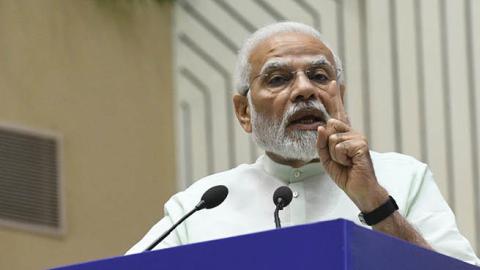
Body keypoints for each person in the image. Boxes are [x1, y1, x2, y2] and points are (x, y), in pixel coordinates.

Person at [126, 21, 479, 265]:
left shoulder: (404, 178)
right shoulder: (200, 204)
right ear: (243, 112)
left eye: (319, 76)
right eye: (278, 78)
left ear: (339, 96)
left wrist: (376, 204)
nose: (305, 89)